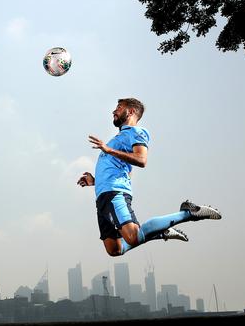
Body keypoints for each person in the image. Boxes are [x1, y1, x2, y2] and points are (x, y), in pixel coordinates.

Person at [77, 98, 222, 256]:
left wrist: (108, 150)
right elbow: (122, 171)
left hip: (115, 193)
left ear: (131, 111)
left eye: (119, 107)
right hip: (102, 198)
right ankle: (158, 233)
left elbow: (141, 160)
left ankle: (188, 212)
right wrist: (95, 181)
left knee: (132, 237)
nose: (114, 111)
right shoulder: (116, 140)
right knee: (115, 250)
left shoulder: (137, 132)